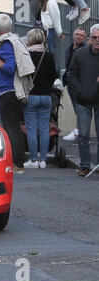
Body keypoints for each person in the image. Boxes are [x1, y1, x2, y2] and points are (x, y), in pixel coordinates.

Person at [0, 14, 29, 174]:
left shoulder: (6, 44)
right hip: (6, 92)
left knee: (12, 128)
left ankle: (17, 163)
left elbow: (10, 68)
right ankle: (11, 161)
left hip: (8, 92)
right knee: (7, 127)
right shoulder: (7, 42)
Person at [23, 28, 57, 169]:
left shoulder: (26, 55)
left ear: (30, 39)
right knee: (44, 129)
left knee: (31, 129)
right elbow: (54, 76)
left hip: (31, 96)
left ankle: (33, 159)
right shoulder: (48, 56)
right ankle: (43, 160)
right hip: (46, 96)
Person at [67, 24, 99, 177]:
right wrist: (78, 91)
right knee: (84, 135)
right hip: (83, 100)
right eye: (95, 37)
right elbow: (71, 74)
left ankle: (98, 165)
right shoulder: (80, 54)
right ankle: (85, 165)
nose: (97, 40)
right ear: (90, 39)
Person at [63, 27, 86, 141]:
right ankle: (80, 131)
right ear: (73, 35)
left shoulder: (85, 50)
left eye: (81, 35)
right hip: (69, 83)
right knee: (77, 109)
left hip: (79, 84)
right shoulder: (69, 48)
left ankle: (79, 132)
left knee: (80, 108)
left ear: (85, 37)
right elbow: (67, 66)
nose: (79, 36)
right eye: (77, 34)